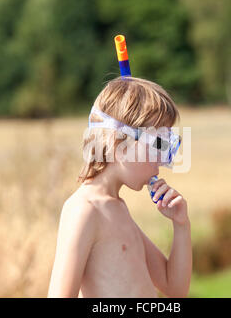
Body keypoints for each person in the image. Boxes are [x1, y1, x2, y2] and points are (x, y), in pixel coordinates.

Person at [47, 76, 192, 298]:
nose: (162, 160)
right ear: (121, 146)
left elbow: (175, 288)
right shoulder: (84, 210)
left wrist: (181, 224)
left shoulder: (118, 209)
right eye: (157, 145)